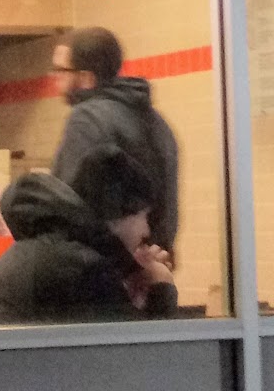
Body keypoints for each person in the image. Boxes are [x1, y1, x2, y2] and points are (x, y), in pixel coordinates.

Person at [0, 145, 177, 324]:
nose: (146, 230)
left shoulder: (60, 252)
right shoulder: (82, 267)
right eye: (143, 216)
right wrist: (161, 286)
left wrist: (131, 288)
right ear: (119, 214)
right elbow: (136, 355)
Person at [51, 27, 180, 256]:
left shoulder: (87, 119)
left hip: (103, 263)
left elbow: (68, 202)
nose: (54, 77)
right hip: (153, 259)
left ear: (86, 78)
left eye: (61, 70)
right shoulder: (157, 121)